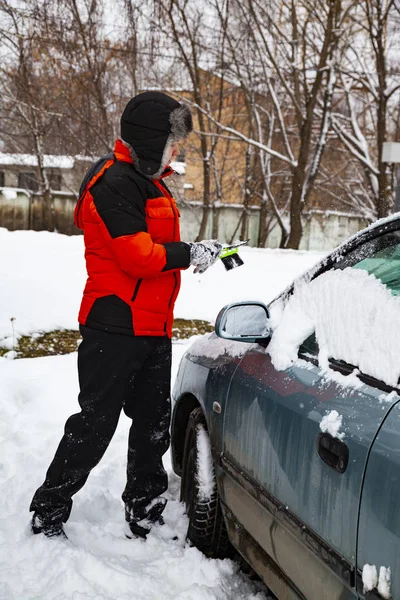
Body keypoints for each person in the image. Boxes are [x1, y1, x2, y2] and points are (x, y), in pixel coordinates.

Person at [29, 91, 223, 539]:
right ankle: (49, 507)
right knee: (95, 424)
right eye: (172, 142)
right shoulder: (113, 182)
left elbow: (155, 246)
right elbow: (137, 255)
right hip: (113, 325)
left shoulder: (147, 180)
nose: (178, 151)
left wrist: (193, 251)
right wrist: (187, 252)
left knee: (154, 424)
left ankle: (145, 508)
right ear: (151, 140)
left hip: (151, 325)